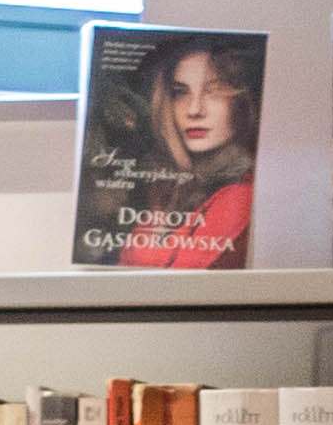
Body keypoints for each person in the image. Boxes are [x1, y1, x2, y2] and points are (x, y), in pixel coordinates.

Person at [81, 30, 258, 267]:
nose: (194, 110)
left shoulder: (239, 195)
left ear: (242, 103)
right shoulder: (168, 189)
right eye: (180, 92)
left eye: (213, 91)